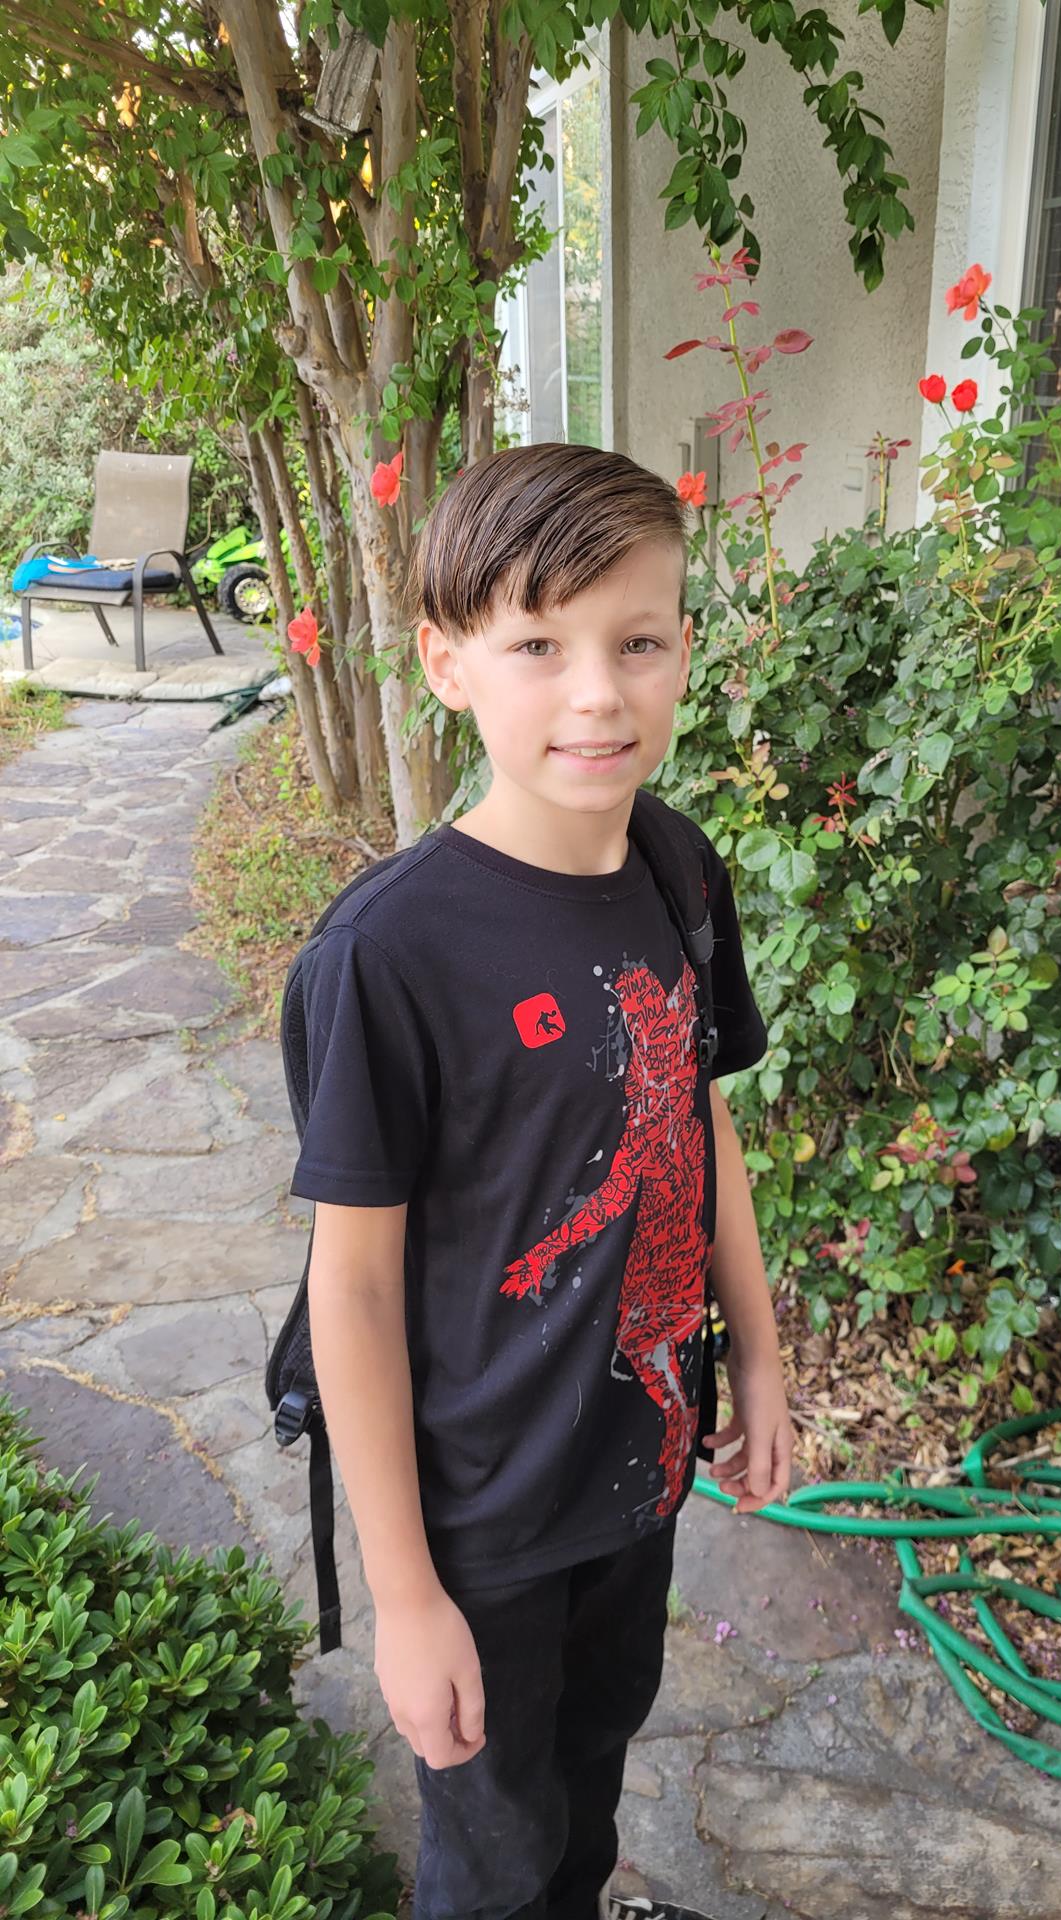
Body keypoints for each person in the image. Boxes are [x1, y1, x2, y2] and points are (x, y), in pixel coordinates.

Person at [289, 440, 794, 1920]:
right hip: (481, 1518)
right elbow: (352, 1288)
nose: (598, 695)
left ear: (684, 647)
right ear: (446, 665)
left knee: (590, 1777)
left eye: (638, 643)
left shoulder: (678, 869)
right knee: (492, 1864)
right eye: (537, 647)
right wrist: (406, 1596)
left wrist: (758, 1360)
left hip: (637, 1461)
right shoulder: (389, 955)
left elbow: (698, 1128)